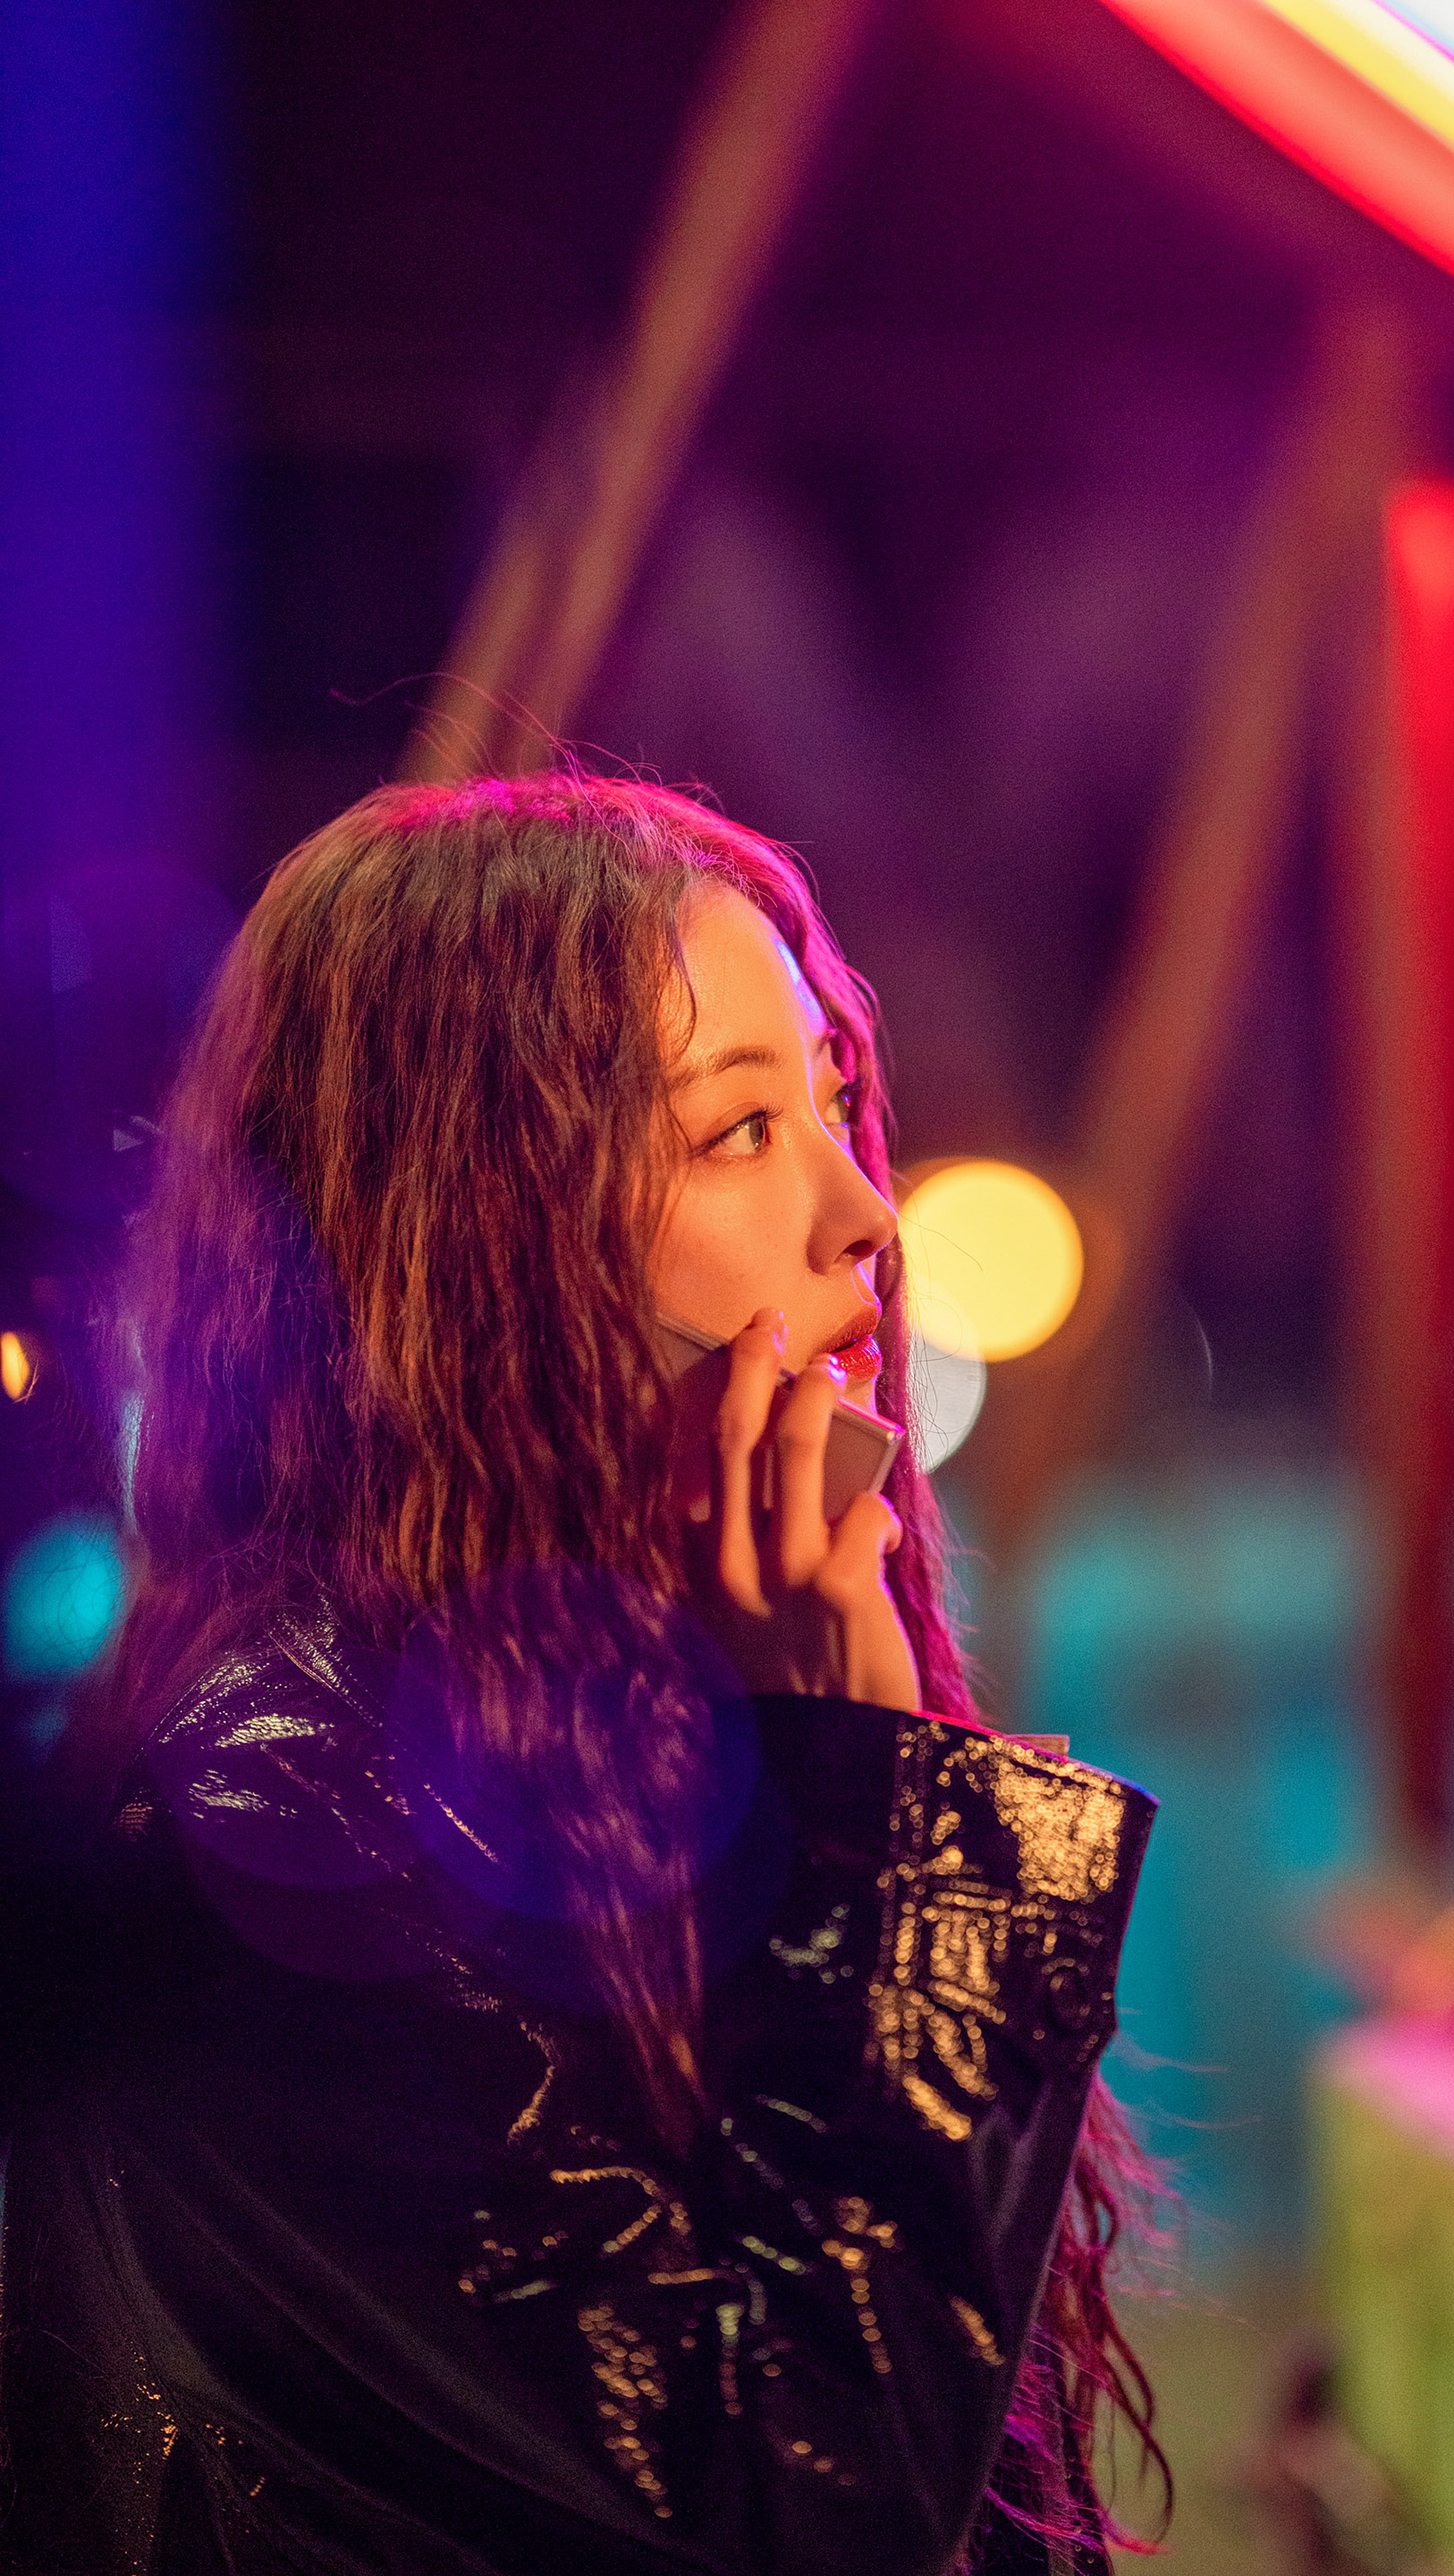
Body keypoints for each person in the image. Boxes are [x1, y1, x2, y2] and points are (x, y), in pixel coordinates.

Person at [0, 772, 1164, 2573]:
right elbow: (807, 2509)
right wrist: (870, 1815)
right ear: (481, 1236)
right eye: (738, 1132)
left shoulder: (606, 1752)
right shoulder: (283, 1835)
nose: (865, 1214)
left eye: (833, 1099)